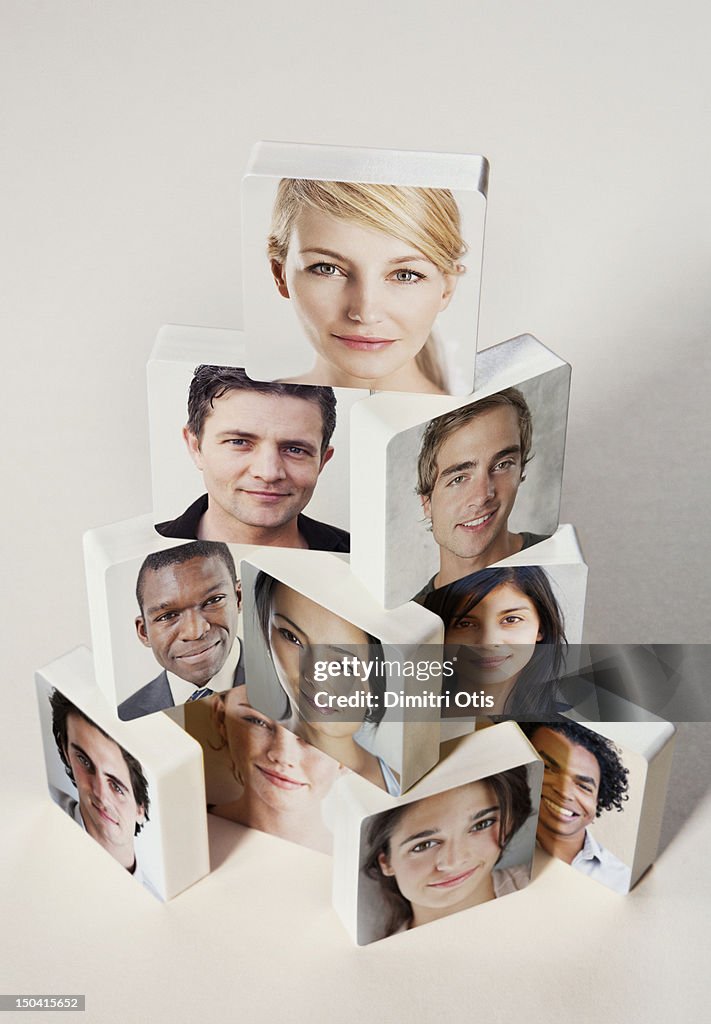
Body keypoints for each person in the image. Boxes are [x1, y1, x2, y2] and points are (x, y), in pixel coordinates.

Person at [267, 179, 466, 394]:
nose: (366, 313)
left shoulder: (492, 423)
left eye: (404, 275)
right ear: (281, 275)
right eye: (328, 269)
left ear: (446, 288)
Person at [155, 365, 349, 551]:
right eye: (239, 442)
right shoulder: (144, 548)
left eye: (294, 449)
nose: (268, 473)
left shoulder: (366, 557)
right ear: (196, 447)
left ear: (322, 461)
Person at [252, 571, 398, 794]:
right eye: (292, 637)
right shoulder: (245, 754)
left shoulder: (398, 789)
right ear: (266, 634)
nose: (313, 674)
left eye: (344, 663)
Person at [362, 767, 532, 937]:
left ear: (508, 822)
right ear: (386, 862)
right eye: (424, 845)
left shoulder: (549, 888)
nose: (455, 861)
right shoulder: (383, 960)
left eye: (481, 824)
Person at [414, 388, 549, 599]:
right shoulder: (409, 621)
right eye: (458, 479)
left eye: (502, 465)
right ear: (427, 503)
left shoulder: (556, 557)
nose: (482, 496)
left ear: (521, 469)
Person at [206, 684, 345, 854]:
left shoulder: (359, 866)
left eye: (315, 733)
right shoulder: (180, 831)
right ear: (221, 718)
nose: (283, 755)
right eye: (258, 721)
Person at [119, 541, 242, 720]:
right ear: (144, 632)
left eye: (213, 600)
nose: (195, 632)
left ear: (239, 598)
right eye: (168, 616)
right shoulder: (126, 719)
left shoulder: (291, 680)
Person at [49, 688, 156, 894]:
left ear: (140, 808)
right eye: (84, 761)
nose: (100, 794)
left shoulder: (157, 900)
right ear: (65, 749)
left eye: (116, 786)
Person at [423, 566, 567, 716]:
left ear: (541, 628)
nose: (488, 642)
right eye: (465, 624)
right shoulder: (406, 724)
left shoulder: (573, 730)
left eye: (511, 619)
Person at [521, 721, 632, 893]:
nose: (565, 792)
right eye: (548, 768)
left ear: (598, 801)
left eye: (584, 787)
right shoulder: (487, 852)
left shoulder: (621, 881)